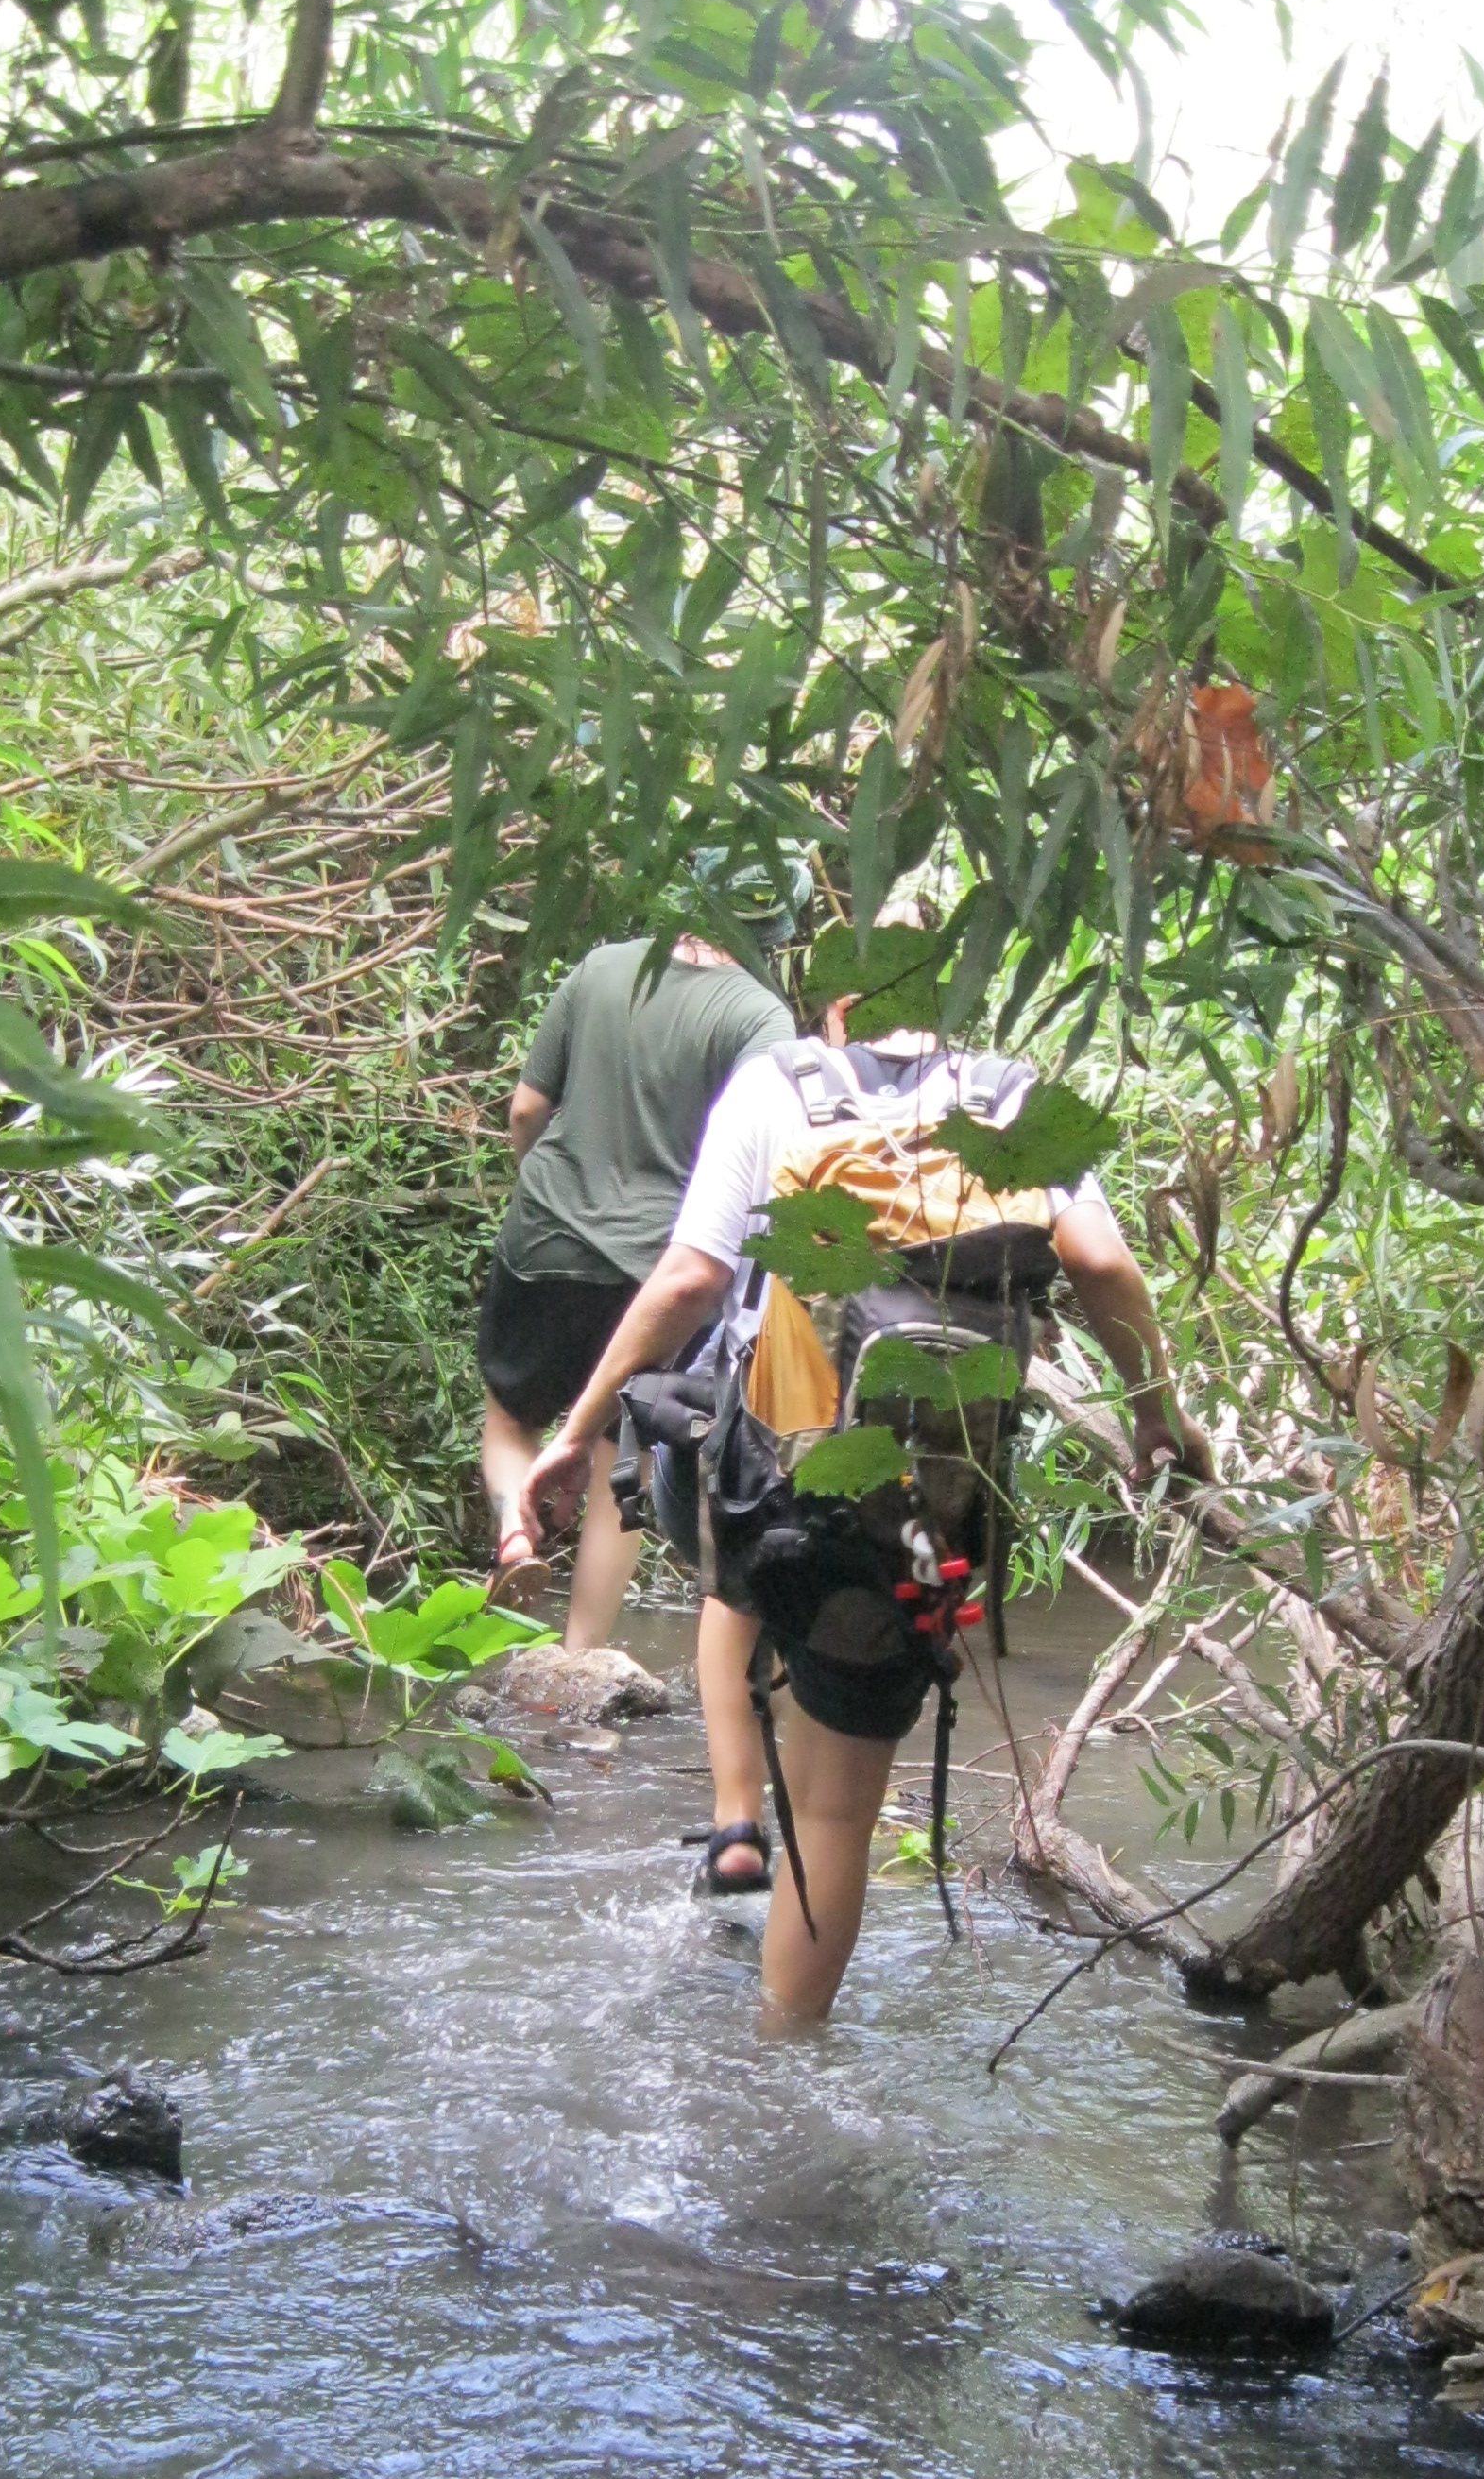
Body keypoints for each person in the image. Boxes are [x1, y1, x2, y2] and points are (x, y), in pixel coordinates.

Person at [518, 985, 1211, 2017]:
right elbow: (1102, 1261)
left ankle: (737, 1815)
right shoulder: (1019, 1099)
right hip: (918, 1513)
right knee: (839, 1816)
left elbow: (692, 1277)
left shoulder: (776, 1085)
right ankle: (787, 2048)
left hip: (767, 1493)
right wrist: (1159, 1414)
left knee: (702, 1465)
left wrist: (577, 1433)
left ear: (842, 1003)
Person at [477, 863, 801, 1654]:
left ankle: (514, 1531)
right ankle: (580, 1654)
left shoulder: (603, 968)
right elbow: (772, 1155)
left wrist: (548, 1193)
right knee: (619, 1457)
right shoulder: (762, 1018)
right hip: (658, 1269)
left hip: (544, 1236)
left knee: (511, 1416)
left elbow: (526, 1110)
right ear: (777, 927)